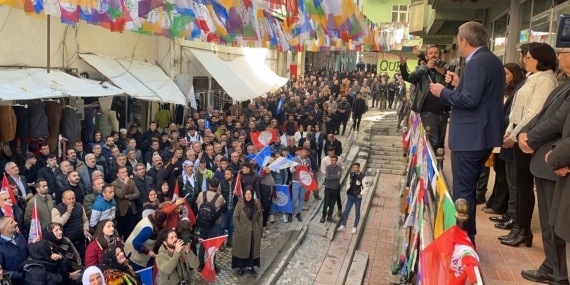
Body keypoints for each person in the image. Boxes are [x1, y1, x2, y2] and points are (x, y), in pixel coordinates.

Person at [428, 21, 505, 242]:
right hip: (481, 135)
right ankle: (465, 234)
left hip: (471, 137)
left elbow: (469, 101)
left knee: (464, 190)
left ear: (464, 41)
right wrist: (459, 84)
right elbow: (479, 95)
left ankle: (463, 238)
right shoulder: (490, 60)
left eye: (458, 42)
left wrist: (442, 92)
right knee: (467, 187)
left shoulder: (478, 62)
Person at [514, 47, 570, 283]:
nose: (560, 55)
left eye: (564, 50)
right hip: (548, 157)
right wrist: (524, 133)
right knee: (549, 220)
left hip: (556, 159)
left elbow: (558, 121)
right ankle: (551, 265)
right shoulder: (563, 84)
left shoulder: (550, 81)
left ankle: (558, 272)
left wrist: (531, 137)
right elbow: (543, 116)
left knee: (555, 222)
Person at [400, 44, 449, 150]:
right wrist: (424, 67)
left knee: (440, 144)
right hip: (428, 113)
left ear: (440, 55)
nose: (434, 55)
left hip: (443, 113)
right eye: (430, 53)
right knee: (433, 142)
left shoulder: (445, 69)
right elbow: (409, 77)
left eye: (436, 53)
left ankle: (438, 166)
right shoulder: (422, 71)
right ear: (426, 57)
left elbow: (452, 82)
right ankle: (432, 165)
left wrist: (443, 71)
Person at [51, 190, 91, 263]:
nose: (72, 201)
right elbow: (57, 225)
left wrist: (85, 230)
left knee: (83, 260)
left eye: (73, 198)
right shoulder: (56, 210)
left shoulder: (79, 206)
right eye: (69, 199)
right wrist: (68, 213)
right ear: (63, 200)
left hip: (80, 240)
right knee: (72, 263)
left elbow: (85, 220)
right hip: (67, 242)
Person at [196, 177, 226, 273]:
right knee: (213, 245)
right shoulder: (219, 197)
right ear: (217, 187)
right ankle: (213, 265)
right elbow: (223, 205)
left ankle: (201, 264)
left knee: (202, 243)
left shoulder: (201, 194)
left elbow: (197, 204)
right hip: (214, 224)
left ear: (209, 185)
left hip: (202, 223)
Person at [231, 186, 262, 277]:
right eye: (246, 194)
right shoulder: (240, 204)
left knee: (252, 249)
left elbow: (260, 216)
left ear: (252, 195)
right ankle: (241, 268)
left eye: (250, 194)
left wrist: (260, 228)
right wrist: (239, 228)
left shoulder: (256, 203)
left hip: (254, 230)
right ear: (244, 195)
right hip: (243, 231)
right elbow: (235, 217)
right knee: (242, 249)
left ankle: (251, 267)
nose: (248, 196)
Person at [337, 162, 367, 234]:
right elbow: (348, 183)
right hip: (350, 196)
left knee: (357, 212)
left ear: (359, 168)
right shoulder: (351, 175)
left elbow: (366, 187)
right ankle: (343, 225)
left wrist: (361, 194)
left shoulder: (363, 177)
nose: (355, 169)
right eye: (354, 168)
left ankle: (355, 227)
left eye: (356, 168)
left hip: (357, 197)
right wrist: (348, 190)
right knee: (346, 210)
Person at [0, 216, 27, 285]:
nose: (16, 223)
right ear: (4, 229)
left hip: (29, 276)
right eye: (12, 222)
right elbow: (2, 272)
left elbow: (26, 250)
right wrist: (18, 276)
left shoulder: (20, 236)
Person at [321, 156, 341, 223]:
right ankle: (323, 215)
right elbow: (327, 177)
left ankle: (329, 216)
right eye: (332, 160)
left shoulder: (339, 168)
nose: (333, 162)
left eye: (334, 160)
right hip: (328, 188)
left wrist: (332, 175)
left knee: (332, 203)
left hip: (335, 188)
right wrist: (334, 176)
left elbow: (339, 177)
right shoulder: (328, 167)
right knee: (326, 203)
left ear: (336, 161)